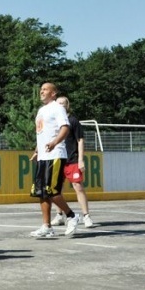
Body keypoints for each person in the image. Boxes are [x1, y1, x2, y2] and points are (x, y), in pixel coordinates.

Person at [29, 83, 79, 238]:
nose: (41, 92)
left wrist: (54, 142)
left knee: (52, 190)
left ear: (53, 93)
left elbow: (65, 127)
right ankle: (47, 226)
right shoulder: (41, 111)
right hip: (43, 156)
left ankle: (71, 216)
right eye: (41, 89)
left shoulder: (58, 108)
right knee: (41, 192)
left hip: (55, 154)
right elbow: (42, 132)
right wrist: (38, 150)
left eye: (45, 89)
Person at [52, 96, 94, 229]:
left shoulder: (73, 121)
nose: (60, 105)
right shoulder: (53, 121)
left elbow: (80, 140)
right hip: (58, 159)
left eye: (63, 103)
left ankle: (86, 216)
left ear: (67, 105)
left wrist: (81, 160)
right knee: (56, 189)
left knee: (78, 187)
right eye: (58, 103)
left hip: (72, 159)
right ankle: (59, 215)